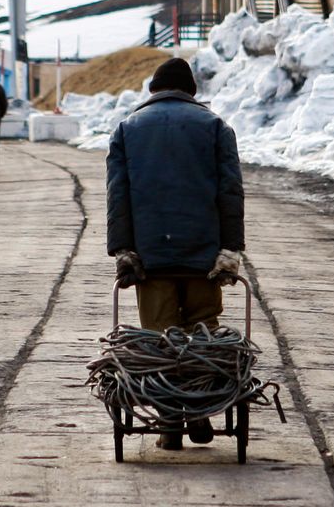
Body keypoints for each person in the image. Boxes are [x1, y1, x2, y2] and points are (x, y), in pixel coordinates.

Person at [105, 56, 245, 450]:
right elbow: (230, 192)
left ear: (153, 90)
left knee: (160, 338)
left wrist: (124, 249)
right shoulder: (216, 127)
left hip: (151, 259)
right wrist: (230, 249)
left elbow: (118, 196)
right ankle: (199, 409)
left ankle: (169, 424)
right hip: (203, 257)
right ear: (192, 92)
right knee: (203, 334)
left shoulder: (128, 128)